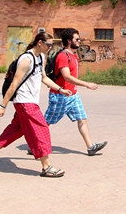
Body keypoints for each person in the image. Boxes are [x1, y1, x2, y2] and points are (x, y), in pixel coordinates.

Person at [0, 32, 72, 177]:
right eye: (48, 44)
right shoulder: (26, 59)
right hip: (24, 102)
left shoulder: (41, 57)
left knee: (13, 132)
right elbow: (14, 83)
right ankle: (46, 167)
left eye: (52, 45)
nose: (50, 47)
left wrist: (60, 89)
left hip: (29, 102)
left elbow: (44, 77)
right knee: (41, 130)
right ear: (40, 43)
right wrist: (2, 105)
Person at [45, 27, 107, 156]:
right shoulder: (63, 56)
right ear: (69, 41)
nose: (80, 41)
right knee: (46, 122)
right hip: (60, 96)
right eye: (77, 39)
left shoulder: (74, 55)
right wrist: (86, 84)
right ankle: (34, 144)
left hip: (73, 96)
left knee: (82, 119)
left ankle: (90, 147)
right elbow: (67, 76)